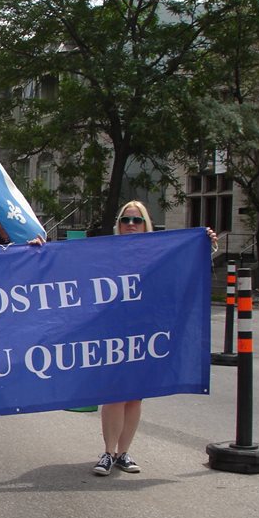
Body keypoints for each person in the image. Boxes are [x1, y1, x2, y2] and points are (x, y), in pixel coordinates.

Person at [92, 201, 217, 476]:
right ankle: (108, 452)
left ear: (146, 224)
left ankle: (123, 453)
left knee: (134, 396)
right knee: (114, 393)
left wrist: (203, 243)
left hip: (145, 333)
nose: (131, 225)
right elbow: (71, 269)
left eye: (137, 220)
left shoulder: (160, 252)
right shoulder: (104, 251)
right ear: (118, 224)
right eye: (126, 220)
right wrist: (39, 248)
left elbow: (183, 273)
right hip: (113, 332)